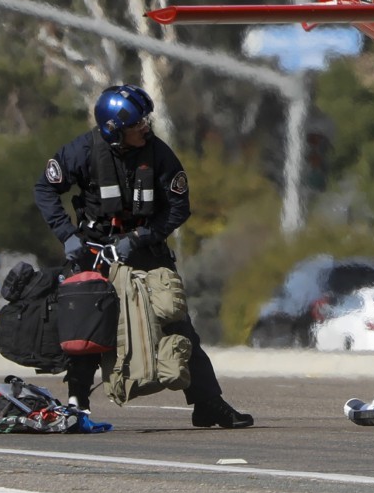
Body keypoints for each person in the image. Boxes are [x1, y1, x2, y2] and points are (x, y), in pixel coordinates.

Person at [34, 83, 254, 429]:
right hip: (93, 250)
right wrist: (67, 236)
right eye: (137, 124)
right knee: (87, 324)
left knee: (175, 318)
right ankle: (77, 404)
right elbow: (45, 188)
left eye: (145, 121)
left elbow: (179, 208)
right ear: (114, 131)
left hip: (145, 251)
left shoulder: (160, 155)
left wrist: (139, 238)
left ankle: (208, 403)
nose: (145, 128)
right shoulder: (82, 151)